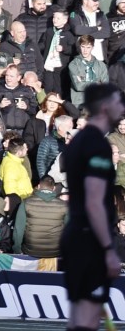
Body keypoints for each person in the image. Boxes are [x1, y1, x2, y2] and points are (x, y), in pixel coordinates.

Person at [63, 82, 125, 331]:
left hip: (79, 234)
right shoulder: (96, 145)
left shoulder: (82, 142)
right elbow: (94, 202)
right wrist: (108, 249)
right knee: (87, 313)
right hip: (88, 238)